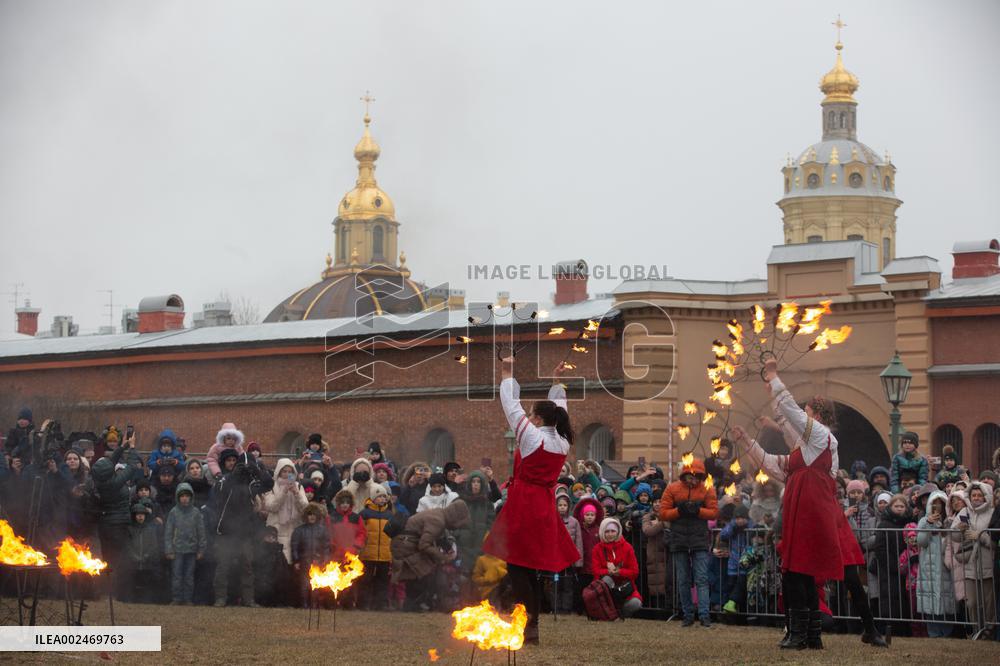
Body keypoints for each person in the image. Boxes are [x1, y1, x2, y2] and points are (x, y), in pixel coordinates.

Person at [731, 358, 844, 650]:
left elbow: (790, 412)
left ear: (817, 416)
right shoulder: (802, 452)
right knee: (798, 573)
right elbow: (770, 465)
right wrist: (746, 441)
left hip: (811, 513)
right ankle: (807, 635)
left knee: (800, 573)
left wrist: (773, 378)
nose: (801, 419)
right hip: (797, 513)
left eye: (808, 414)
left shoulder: (822, 438)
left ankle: (802, 634)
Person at [482, 357, 580, 645]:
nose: (527, 415)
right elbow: (562, 408)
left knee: (517, 565)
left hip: (525, 503)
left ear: (538, 419)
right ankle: (530, 621)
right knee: (528, 566)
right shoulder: (562, 440)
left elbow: (510, 406)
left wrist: (507, 373)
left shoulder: (531, 437)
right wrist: (556, 381)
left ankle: (530, 622)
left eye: (532, 413)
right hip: (545, 504)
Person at [659, 457, 718, 627]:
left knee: (701, 578)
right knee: (683, 579)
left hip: (698, 538)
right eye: (690, 476)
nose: (693, 480)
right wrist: (679, 510)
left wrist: (698, 510)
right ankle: (688, 615)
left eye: (696, 477)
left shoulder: (707, 489)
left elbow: (714, 512)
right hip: (679, 538)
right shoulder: (672, 488)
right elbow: (663, 513)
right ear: (684, 475)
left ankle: (704, 616)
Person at [210, 449, 267, 607]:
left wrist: (257, 469)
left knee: (247, 567)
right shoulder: (223, 480)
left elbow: (269, 484)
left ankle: (249, 599)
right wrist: (234, 476)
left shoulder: (250, 484)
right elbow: (219, 492)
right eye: (229, 461)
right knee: (223, 566)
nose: (232, 463)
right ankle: (220, 598)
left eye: (235, 461)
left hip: (244, 533)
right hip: (226, 532)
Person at [391, 500, 471, 611]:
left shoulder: (439, 514)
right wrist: (443, 557)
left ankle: (414, 605)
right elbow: (424, 545)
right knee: (423, 574)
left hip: (404, 543)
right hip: (406, 546)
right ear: (456, 517)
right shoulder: (438, 520)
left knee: (419, 575)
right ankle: (412, 605)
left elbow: (432, 536)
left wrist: (445, 546)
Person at [91, 432, 144, 599]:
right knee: (122, 560)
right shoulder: (114, 483)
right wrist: (133, 448)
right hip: (118, 526)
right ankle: (119, 592)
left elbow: (110, 461)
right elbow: (132, 466)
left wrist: (124, 446)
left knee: (107, 559)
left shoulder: (100, 478)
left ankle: (105, 591)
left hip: (105, 526)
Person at [951, 481, 995, 633]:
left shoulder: (993, 513)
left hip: (988, 561)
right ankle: (976, 631)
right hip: (970, 563)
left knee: (989, 602)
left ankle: (989, 631)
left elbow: (994, 541)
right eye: (973, 495)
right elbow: (954, 537)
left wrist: (980, 536)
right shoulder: (964, 512)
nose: (976, 498)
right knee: (972, 603)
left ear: (986, 496)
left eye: (979, 495)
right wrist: (959, 530)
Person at [915, 490, 955, 637]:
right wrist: (928, 524)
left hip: (946, 567)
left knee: (947, 599)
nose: (938, 506)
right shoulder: (924, 521)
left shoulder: (950, 522)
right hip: (928, 567)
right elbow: (921, 542)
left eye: (941, 504)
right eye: (934, 504)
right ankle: (933, 633)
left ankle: (947, 633)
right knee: (930, 599)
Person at [164, 482, 207, 605]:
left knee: (189, 576)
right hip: (177, 550)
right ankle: (176, 598)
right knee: (177, 575)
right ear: (178, 497)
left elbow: (201, 532)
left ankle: (188, 599)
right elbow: (168, 532)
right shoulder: (173, 512)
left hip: (192, 550)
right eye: (182, 496)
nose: (184, 498)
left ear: (191, 497)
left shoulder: (196, 513)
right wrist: (168, 549)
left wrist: (201, 550)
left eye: (187, 496)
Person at [591, 517, 642, 617]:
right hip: (606, 589)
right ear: (602, 532)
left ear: (618, 531)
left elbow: (635, 572)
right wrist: (609, 572)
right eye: (607, 531)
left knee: (636, 603)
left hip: (624, 589)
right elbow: (596, 572)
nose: (610, 534)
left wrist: (618, 571)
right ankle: (610, 610)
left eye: (613, 531)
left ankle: (621, 613)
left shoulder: (628, 547)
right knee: (606, 579)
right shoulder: (597, 549)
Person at [261, 457, 308, 563]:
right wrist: (283, 492)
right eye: (284, 471)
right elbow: (271, 506)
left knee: (295, 562)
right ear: (279, 471)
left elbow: (305, 508)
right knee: (279, 562)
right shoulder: (272, 487)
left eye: (290, 472)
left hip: (294, 528)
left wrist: (296, 494)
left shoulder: (298, 486)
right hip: (277, 529)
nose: (287, 474)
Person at [359, 483, 395, 610]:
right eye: (379, 496)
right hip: (368, 553)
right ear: (373, 498)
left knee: (383, 581)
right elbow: (360, 532)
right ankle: (363, 603)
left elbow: (393, 535)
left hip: (385, 554)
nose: (382, 499)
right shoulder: (365, 513)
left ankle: (380, 604)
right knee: (365, 580)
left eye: (384, 497)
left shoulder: (390, 515)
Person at [290, 503, 331, 607]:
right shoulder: (299, 530)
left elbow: (326, 547)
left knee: (316, 584)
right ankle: (304, 604)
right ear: (306, 516)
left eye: (314, 514)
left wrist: (325, 560)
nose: (312, 516)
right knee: (304, 584)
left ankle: (314, 604)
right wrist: (296, 561)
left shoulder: (323, 530)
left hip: (318, 561)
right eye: (309, 514)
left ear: (318, 516)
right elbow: (294, 546)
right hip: (304, 561)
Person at [126, 500, 160, 603]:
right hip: (133, 562)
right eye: (138, 514)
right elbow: (128, 545)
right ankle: (134, 599)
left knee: (147, 581)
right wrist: (134, 556)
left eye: (142, 514)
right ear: (134, 516)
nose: (140, 517)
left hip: (147, 562)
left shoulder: (150, 529)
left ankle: (146, 599)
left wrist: (146, 555)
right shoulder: (130, 529)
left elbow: (154, 545)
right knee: (134, 581)